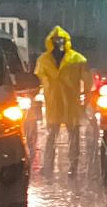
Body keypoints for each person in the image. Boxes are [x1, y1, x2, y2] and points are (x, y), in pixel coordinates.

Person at [34, 26, 90, 178]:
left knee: (73, 136)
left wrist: (86, 99)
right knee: (51, 135)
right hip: (53, 102)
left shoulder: (77, 59)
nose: (59, 42)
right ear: (50, 42)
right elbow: (38, 79)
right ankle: (48, 167)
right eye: (56, 40)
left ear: (67, 41)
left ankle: (73, 167)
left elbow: (87, 81)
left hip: (71, 102)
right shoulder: (43, 60)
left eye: (61, 40)